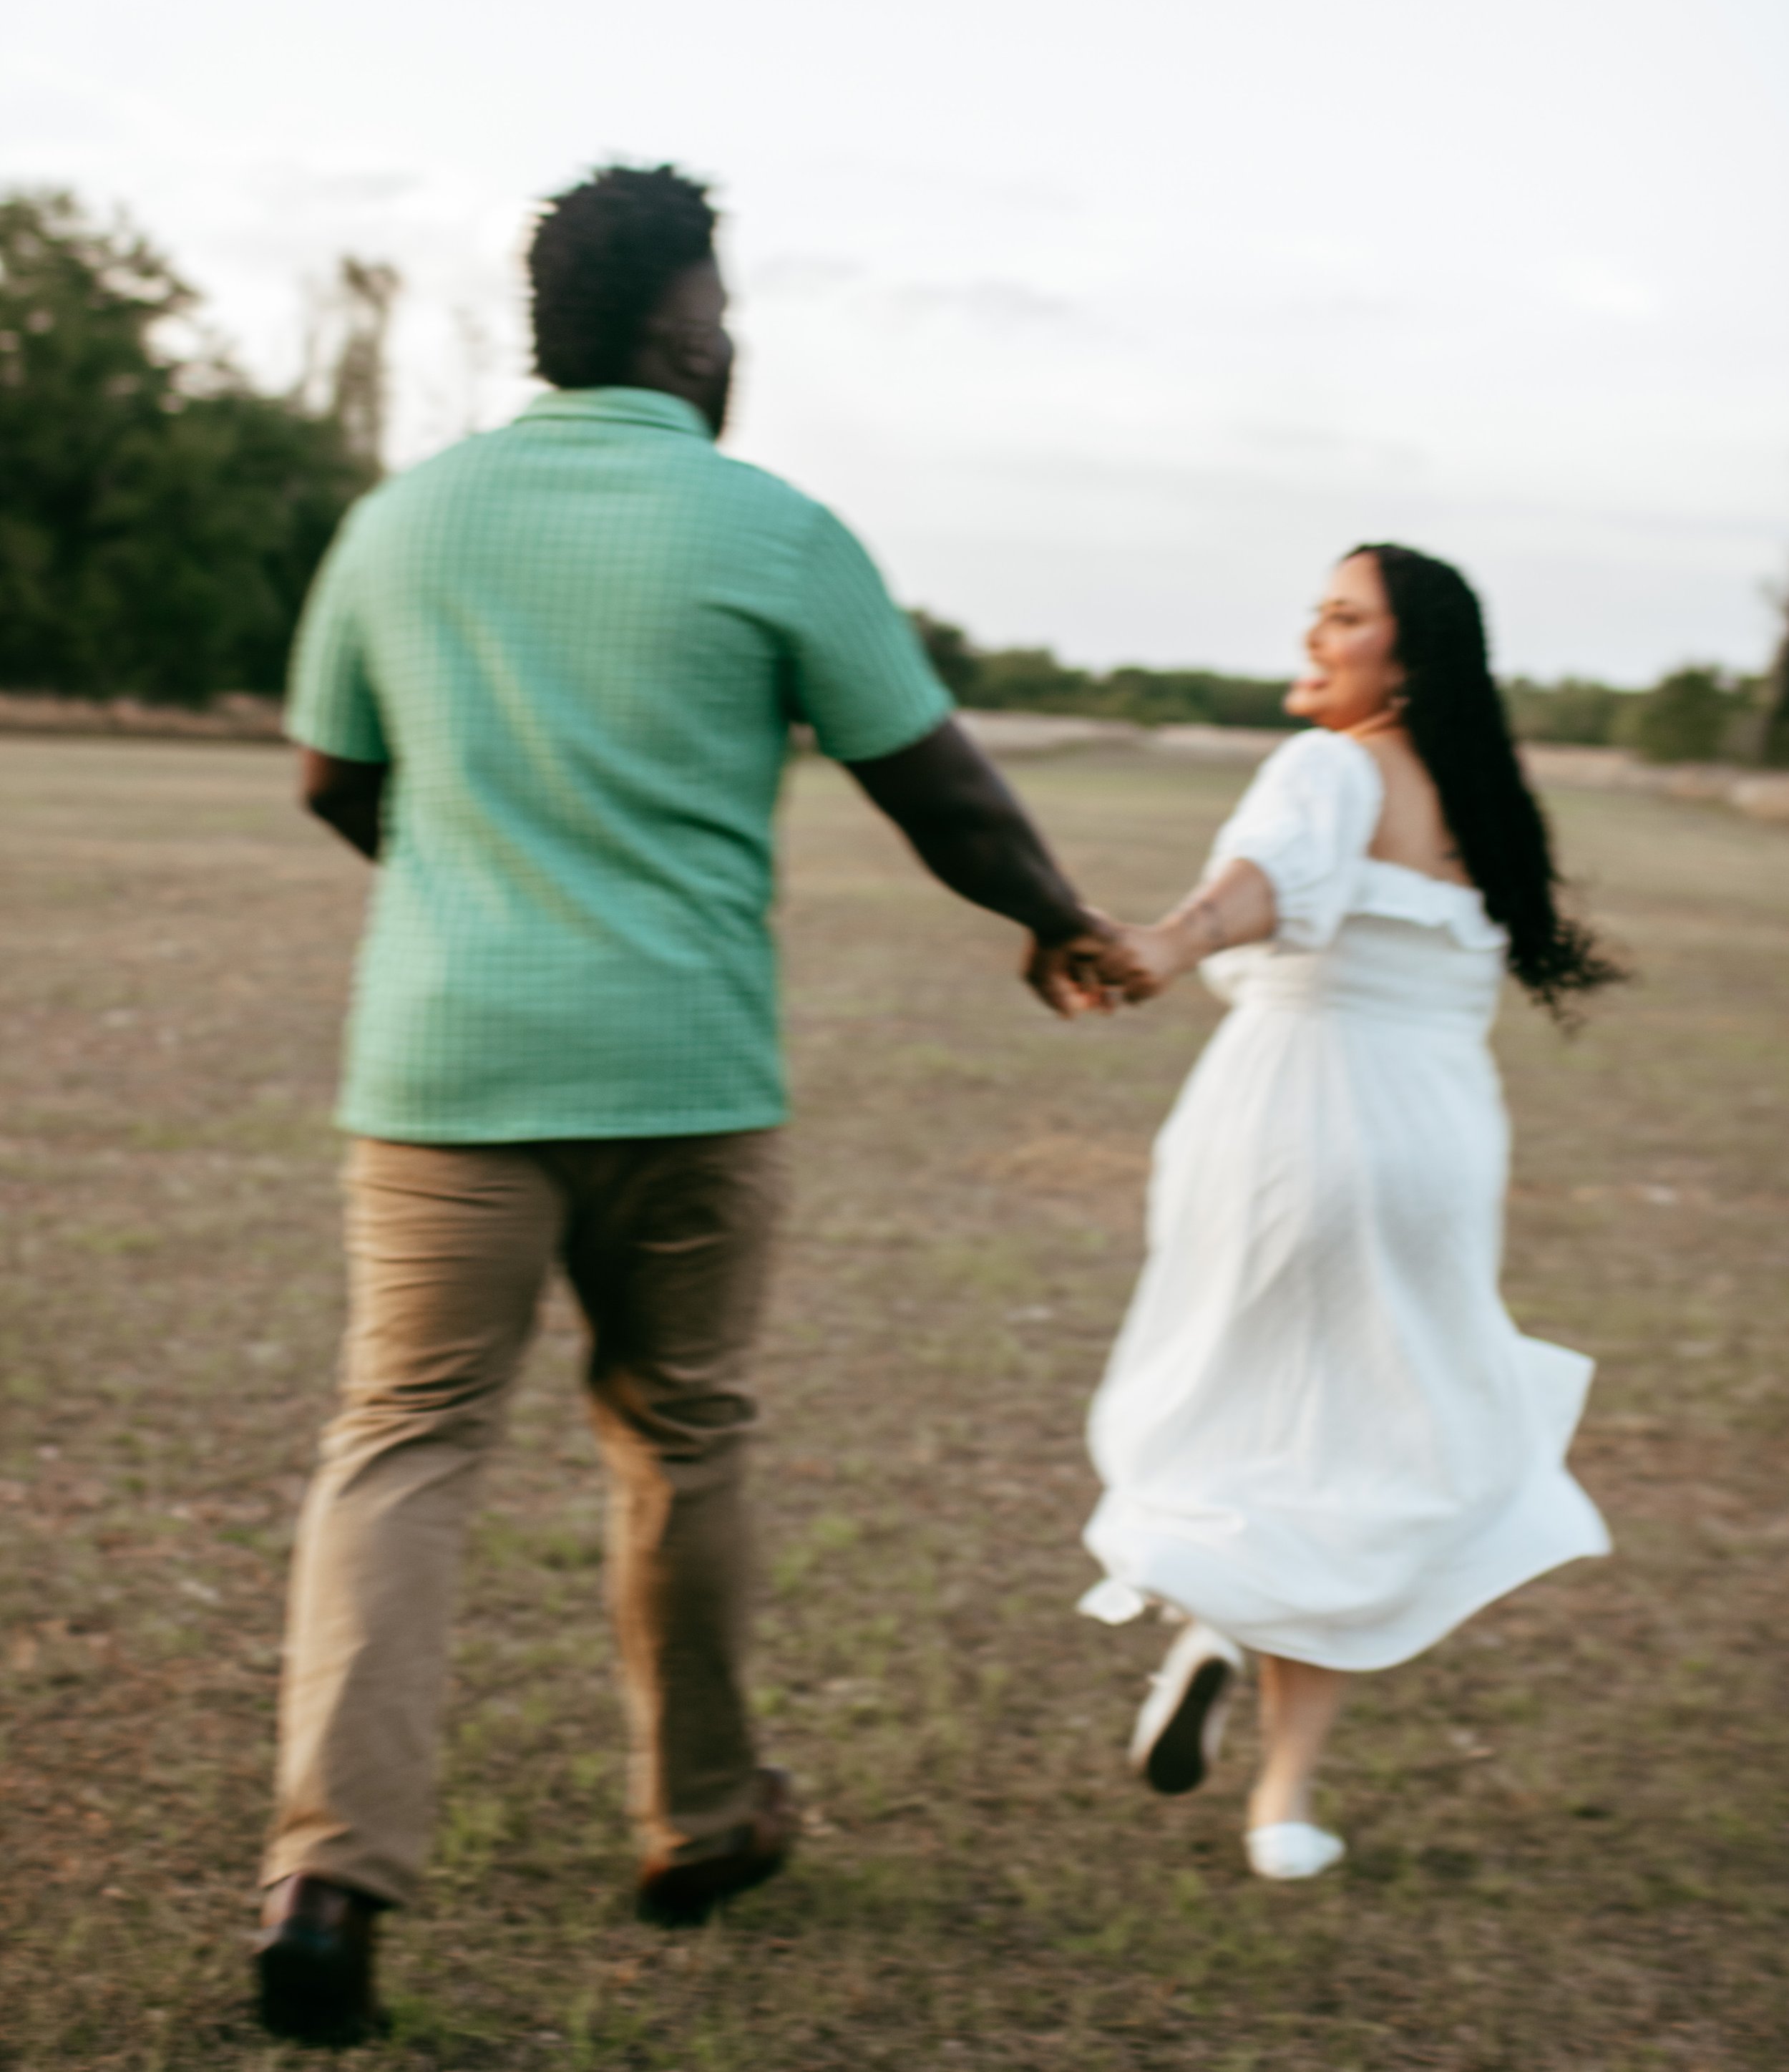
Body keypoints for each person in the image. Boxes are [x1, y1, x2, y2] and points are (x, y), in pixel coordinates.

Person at [253, 163, 1123, 2044]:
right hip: (684, 1072)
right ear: (685, 327)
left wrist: (473, 894)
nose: (733, 338)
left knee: (399, 1444)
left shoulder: (405, 522)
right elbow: (938, 785)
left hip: (443, 1074)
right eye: (723, 309)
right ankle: (703, 1817)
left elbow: (334, 776)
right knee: (685, 1432)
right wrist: (1052, 914)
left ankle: (329, 1874)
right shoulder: (771, 525)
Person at [1041, 544, 1621, 1882]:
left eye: (1345, 617)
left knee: (1217, 1396)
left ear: (1404, 660)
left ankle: (1214, 1619)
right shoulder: (1486, 803)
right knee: (1368, 1441)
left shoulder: (1327, 768)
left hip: (1289, 1125)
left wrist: (1165, 949)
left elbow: (1257, 882)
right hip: (1437, 1137)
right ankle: (1283, 1805)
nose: (1316, 631)